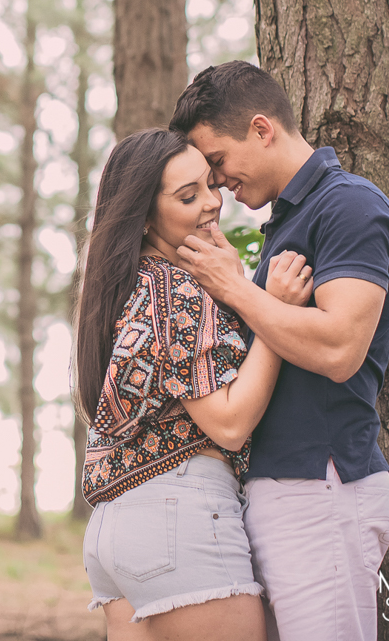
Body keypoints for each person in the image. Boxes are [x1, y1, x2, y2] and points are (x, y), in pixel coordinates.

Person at [168, 61, 389, 641]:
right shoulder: (287, 221)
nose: (219, 183)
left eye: (218, 162)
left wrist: (235, 289)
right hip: (284, 490)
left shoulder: (349, 205)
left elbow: (340, 347)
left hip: (322, 488)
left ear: (261, 128)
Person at [76, 128, 314, 641]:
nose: (212, 203)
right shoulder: (177, 289)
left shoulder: (137, 285)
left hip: (115, 530)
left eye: (210, 184)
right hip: (177, 518)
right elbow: (227, 423)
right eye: (188, 196)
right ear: (143, 216)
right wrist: (274, 313)